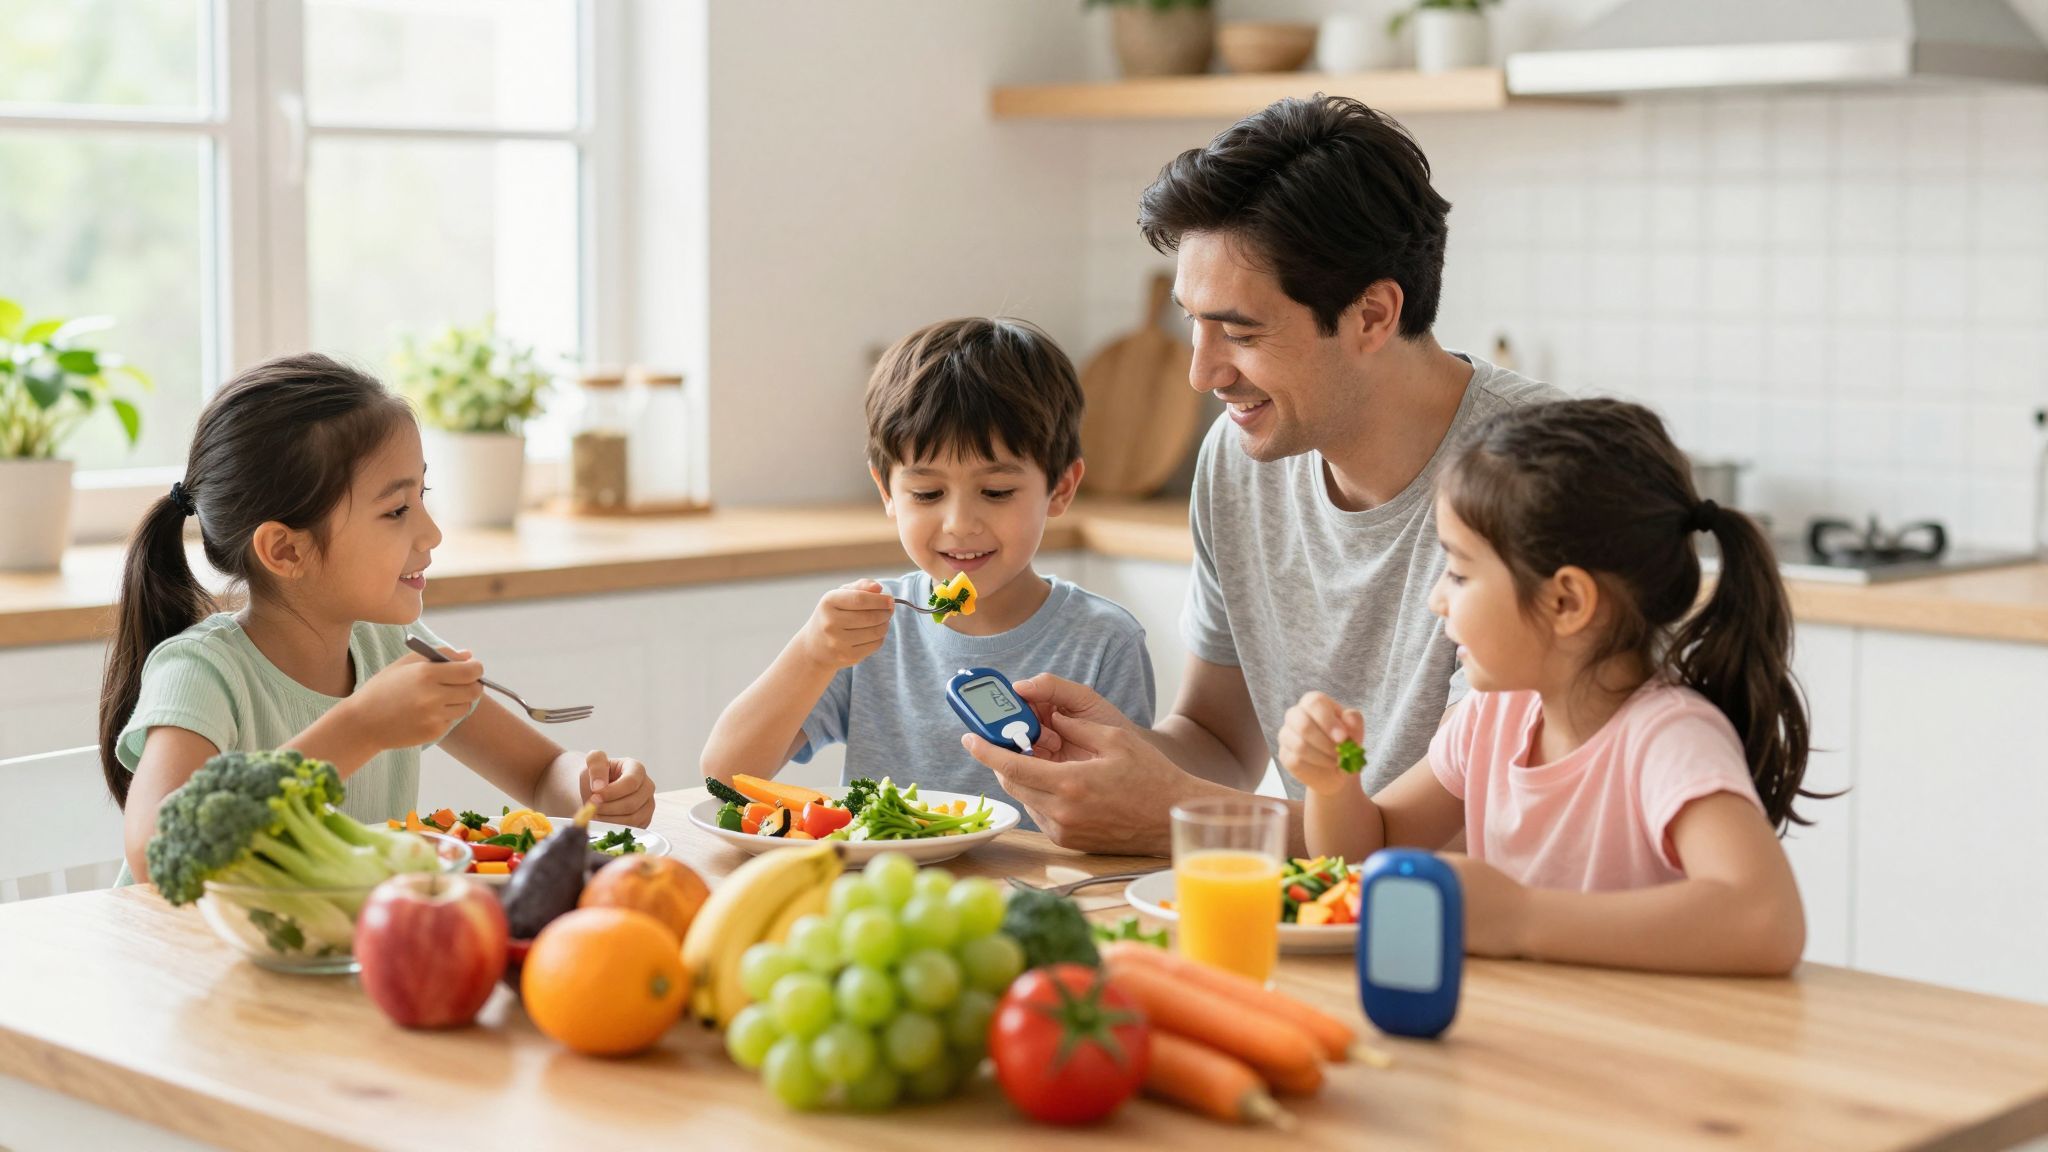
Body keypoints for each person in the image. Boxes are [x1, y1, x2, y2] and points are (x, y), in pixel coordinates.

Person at [963, 95, 1559, 855]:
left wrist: (1177, 814)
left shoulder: (1545, 475)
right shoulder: (1240, 459)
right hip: (1317, 919)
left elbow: (1449, 832)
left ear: (1373, 315)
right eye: (1192, 322)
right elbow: (1217, 739)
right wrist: (1124, 764)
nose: (1201, 372)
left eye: (1240, 332)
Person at [1283, 399, 1812, 974]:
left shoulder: (1669, 739)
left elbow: (1766, 919)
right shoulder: (1492, 717)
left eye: (1460, 572)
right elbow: (1367, 858)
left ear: (1566, 602)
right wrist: (1334, 787)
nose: (1437, 598)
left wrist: (1520, 918)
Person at [101, 354, 655, 885]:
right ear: (286, 551)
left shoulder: (390, 648)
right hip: (178, 965)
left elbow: (539, 773)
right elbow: (159, 850)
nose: (431, 533)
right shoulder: (204, 671)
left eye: (422, 495)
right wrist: (360, 728)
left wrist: (589, 788)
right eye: (396, 510)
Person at [700, 318, 1153, 824]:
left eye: (997, 492)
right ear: (887, 493)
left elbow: (1127, 813)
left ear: (1062, 488)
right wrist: (811, 654)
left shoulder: (1104, 641)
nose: (959, 525)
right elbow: (726, 777)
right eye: (928, 494)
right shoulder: (867, 634)